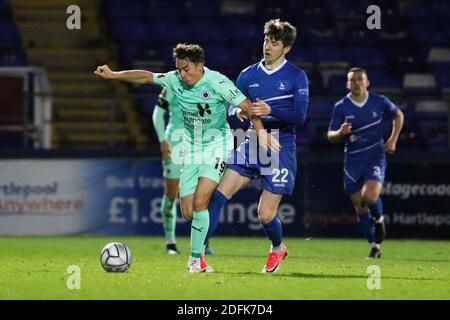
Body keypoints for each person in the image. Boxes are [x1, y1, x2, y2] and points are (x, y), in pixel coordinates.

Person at [94, 43, 280, 272]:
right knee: (189, 211)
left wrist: (261, 132)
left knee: (201, 201)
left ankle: (195, 260)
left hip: (216, 144)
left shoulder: (217, 82)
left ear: (200, 65)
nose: (182, 74)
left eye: (185, 69)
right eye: (179, 69)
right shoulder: (174, 79)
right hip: (190, 149)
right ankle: (205, 225)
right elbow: (146, 77)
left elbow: (246, 106)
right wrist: (114, 75)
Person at [204, 19, 309, 273]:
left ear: (286, 48)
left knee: (264, 214)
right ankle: (198, 255)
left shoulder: (296, 76)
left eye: (275, 43)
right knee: (217, 196)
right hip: (252, 139)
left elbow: (300, 116)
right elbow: (232, 106)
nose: (268, 46)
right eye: (266, 41)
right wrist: (239, 113)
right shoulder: (248, 74)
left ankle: (277, 248)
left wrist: (272, 109)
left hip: (279, 142)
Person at [327, 67, 404, 258]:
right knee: (360, 208)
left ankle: (379, 220)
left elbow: (399, 115)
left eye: (360, 79)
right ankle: (375, 246)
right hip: (352, 161)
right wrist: (339, 133)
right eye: (353, 79)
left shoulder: (379, 101)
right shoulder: (341, 106)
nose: (357, 82)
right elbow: (330, 135)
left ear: (367, 82)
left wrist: (393, 139)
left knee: (369, 197)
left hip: (374, 157)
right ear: (347, 83)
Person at [152, 88, 214, 255]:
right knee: (171, 194)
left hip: (198, 146)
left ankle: (203, 242)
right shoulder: (171, 87)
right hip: (175, 144)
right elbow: (157, 113)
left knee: (201, 195)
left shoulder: (207, 85)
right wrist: (162, 140)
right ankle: (171, 243)